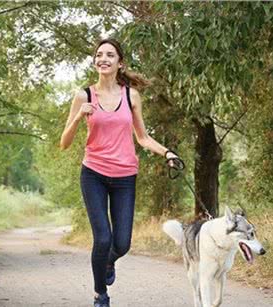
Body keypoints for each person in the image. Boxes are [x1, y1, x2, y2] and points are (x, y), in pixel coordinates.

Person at [59, 38, 181, 307]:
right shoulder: (84, 96)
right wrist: (79, 116)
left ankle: (108, 262)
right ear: (95, 61)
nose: (103, 58)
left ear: (120, 62)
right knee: (103, 238)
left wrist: (168, 153)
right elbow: (64, 143)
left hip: (125, 176)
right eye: (99, 54)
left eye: (110, 55)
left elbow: (143, 137)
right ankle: (100, 294)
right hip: (93, 173)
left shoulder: (131, 96)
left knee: (122, 243)